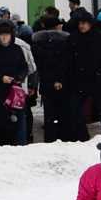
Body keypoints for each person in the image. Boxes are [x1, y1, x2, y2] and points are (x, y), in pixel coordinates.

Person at [29, 12, 77, 142]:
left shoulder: (37, 42)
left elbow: (38, 63)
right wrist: (59, 79)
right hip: (64, 80)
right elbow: (67, 62)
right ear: (57, 26)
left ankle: (50, 137)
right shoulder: (66, 41)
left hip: (46, 80)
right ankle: (65, 136)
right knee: (64, 110)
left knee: (49, 112)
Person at [67, 8, 101, 136]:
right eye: (80, 23)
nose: (81, 26)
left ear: (90, 23)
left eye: (84, 23)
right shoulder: (74, 38)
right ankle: (82, 135)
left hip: (98, 79)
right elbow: (69, 59)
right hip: (80, 80)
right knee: (77, 109)